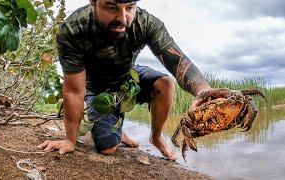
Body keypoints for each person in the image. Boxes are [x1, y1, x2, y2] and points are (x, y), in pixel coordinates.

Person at [37, 0, 229, 160]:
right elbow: (73, 90)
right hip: (98, 90)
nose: (122, 18)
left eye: (129, 6)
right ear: (93, 2)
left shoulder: (145, 23)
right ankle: (117, 130)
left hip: (128, 78)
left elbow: (178, 61)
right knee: (107, 148)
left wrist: (203, 90)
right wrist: (70, 140)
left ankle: (156, 137)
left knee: (165, 84)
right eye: (112, 7)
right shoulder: (73, 29)